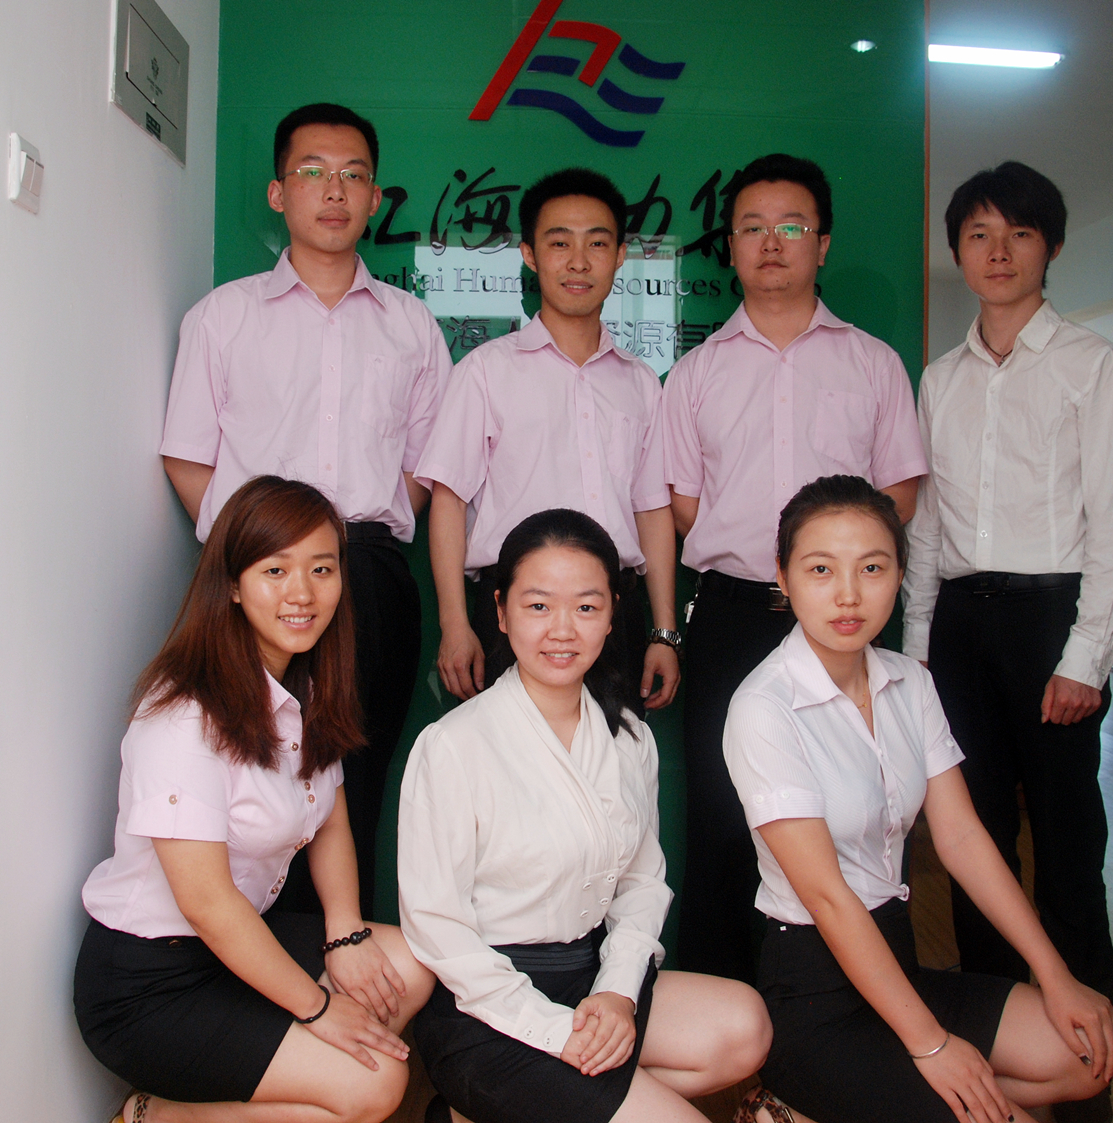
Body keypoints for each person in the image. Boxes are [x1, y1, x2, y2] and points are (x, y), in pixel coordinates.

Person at [723, 475, 1113, 1123]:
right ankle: (799, 1097)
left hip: (898, 966)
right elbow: (827, 897)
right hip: (813, 994)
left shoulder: (910, 682)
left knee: (1084, 1058)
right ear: (783, 577)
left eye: (872, 567)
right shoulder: (763, 706)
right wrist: (932, 1044)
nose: (848, 594)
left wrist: (1055, 974)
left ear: (901, 574)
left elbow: (962, 838)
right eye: (821, 569)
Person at [159, 102, 452, 917]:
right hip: (255, 578)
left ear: (376, 198)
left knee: (356, 776)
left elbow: (424, 467)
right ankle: (259, 960)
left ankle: (344, 953)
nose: (335, 190)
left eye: (354, 175)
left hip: (370, 574)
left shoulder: (411, 327)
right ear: (277, 192)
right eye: (313, 172)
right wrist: (255, 552)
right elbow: (187, 455)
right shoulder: (224, 316)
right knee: (249, 769)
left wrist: (352, 540)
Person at [902, 162, 1113, 1122]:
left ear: (1051, 246)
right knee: (974, 844)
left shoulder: (1092, 363)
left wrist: (1086, 658)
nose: (997, 252)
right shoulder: (940, 377)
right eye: (978, 235)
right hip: (961, 623)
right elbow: (927, 529)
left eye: (1019, 233)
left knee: (1069, 848)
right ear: (957, 251)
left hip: (1054, 621)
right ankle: (1001, 1049)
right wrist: (918, 646)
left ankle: (1089, 1072)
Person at [75, 476, 435, 1123]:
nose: (303, 593)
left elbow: (329, 816)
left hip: (243, 942)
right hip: (151, 984)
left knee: (409, 964)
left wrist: (345, 930)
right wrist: (320, 1010)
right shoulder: (182, 716)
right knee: (377, 1087)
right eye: (276, 570)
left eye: (322, 568)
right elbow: (209, 905)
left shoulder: (307, 684)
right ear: (234, 583)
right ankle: (156, 1115)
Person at [398, 509, 772, 1123]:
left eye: (587, 607)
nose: (562, 630)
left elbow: (643, 883)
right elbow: (437, 925)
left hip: (591, 977)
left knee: (744, 1027)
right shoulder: (452, 745)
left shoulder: (629, 738)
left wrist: (618, 992)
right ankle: (496, 1101)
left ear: (612, 615)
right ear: (501, 611)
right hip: (486, 1009)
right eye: (538, 606)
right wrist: (555, 1032)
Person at [662, 153, 928, 981]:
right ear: (731, 246)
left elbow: (900, 490)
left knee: (850, 811)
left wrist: (831, 572)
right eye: (752, 227)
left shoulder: (873, 363)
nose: (771, 242)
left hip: (843, 620)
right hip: (733, 615)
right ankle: (722, 1004)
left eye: (791, 225)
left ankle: (835, 1006)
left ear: (823, 242)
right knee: (721, 815)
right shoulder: (697, 372)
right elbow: (682, 503)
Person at [416, 168, 680, 716]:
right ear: (530, 255)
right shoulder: (486, 371)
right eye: (559, 243)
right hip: (513, 611)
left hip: (615, 612)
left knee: (615, 761)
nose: (578, 262)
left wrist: (663, 630)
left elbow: (652, 509)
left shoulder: (639, 382)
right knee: (508, 764)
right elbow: (449, 501)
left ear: (620, 256)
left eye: (597, 243)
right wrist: (455, 623)